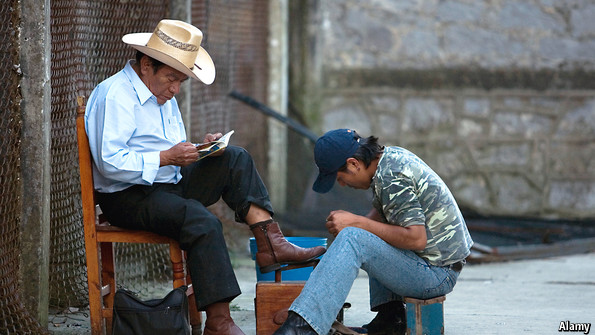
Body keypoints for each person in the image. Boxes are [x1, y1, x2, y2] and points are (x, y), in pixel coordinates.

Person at [85, 19, 325, 335]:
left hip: (167, 183)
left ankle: (271, 243)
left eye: (181, 81)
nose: (175, 89)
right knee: (202, 221)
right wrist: (168, 157)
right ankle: (219, 321)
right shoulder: (115, 95)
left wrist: (202, 150)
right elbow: (109, 162)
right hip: (127, 195)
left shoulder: (161, 93)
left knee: (234, 157)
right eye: (171, 79)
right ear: (146, 65)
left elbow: (168, 149)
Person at [274, 129, 473, 335]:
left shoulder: (392, 177)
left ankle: (302, 328)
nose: (341, 184)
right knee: (356, 236)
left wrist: (356, 223)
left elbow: (416, 239)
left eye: (339, 177)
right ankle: (391, 317)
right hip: (433, 266)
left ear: (353, 163)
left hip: (437, 274)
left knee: (355, 237)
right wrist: (349, 234)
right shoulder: (389, 160)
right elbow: (382, 214)